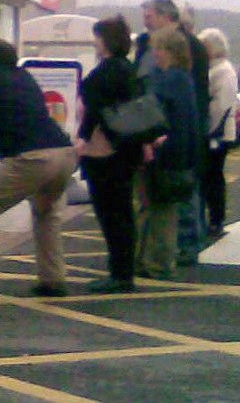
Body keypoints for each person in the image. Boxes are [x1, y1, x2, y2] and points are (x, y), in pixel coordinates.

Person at [0, 39, 78, 298]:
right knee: (47, 212)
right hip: (64, 154)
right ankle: (53, 278)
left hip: (32, 158)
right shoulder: (25, 78)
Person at [133, 0, 210, 265]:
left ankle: (183, 247)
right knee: (178, 190)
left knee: (176, 192)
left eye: (150, 16)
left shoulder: (179, 53)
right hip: (179, 128)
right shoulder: (169, 46)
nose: (146, 21)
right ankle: (175, 247)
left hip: (172, 131)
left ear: (166, 16)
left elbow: (166, 93)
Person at [75, 16, 140, 293]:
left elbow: (94, 109)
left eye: (97, 37)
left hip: (104, 151)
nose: (94, 42)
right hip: (127, 150)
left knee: (110, 213)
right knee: (123, 212)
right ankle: (124, 271)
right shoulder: (129, 69)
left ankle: (120, 274)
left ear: (106, 40)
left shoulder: (105, 73)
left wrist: (83, 139)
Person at [197, 28, 238, 239]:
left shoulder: (223, 71)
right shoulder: (216, 69)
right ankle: (212, 218)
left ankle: (216, 219)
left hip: (217, 134)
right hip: (216, 133)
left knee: (213, 177)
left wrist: (207, 131)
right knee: (211, 177)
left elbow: (221, 106)